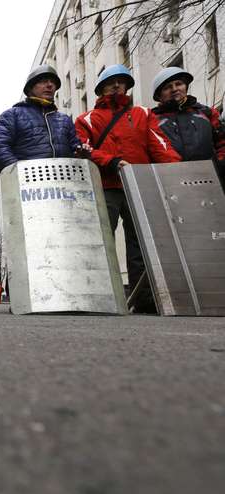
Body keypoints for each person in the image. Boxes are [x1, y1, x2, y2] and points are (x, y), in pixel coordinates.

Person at [74, 64, 181, 313]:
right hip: (105, 186)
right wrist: (110, 161)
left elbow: (159, 144)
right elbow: (82, 148)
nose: (116, 86)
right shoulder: (86, 119)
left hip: (138, 184)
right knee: (101, 241)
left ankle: (143, 299)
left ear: (127, 85)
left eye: (121, 81)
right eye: (110, 82)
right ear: (101, 89)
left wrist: (175, 171)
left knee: (140, 244)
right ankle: (100, 297)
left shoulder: (143, 113)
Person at [0, 64, 90, 172]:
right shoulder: (12, 115)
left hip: (65, 183)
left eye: (53, 82)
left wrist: (82, 153)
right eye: (43, 81)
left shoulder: (64, 120)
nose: (50, 85)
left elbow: (75, 149)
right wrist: (19, 173)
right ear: (30, 88)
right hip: (28, 184)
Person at [151, 66, 225, 188]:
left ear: (185, 87)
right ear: (159, 95)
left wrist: (220, 164)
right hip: (173, 184)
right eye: (168, 87)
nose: (175, 89)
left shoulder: (207, 113)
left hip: (213, 180)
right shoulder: (152, 120)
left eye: (178, 84)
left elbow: (222, 141)